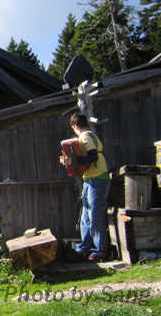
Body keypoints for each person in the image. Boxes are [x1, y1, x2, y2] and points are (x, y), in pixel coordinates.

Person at [60, 112, 111, 262]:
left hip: (97, 178)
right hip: (90, 178)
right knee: (86, 216)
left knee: (95, 214)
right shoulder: (90, 135)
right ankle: (84, 248)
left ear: (75, 126)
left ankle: (99, 250)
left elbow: (93, 157)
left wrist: (72, 161)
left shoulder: (85, 136)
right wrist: (71, 162)